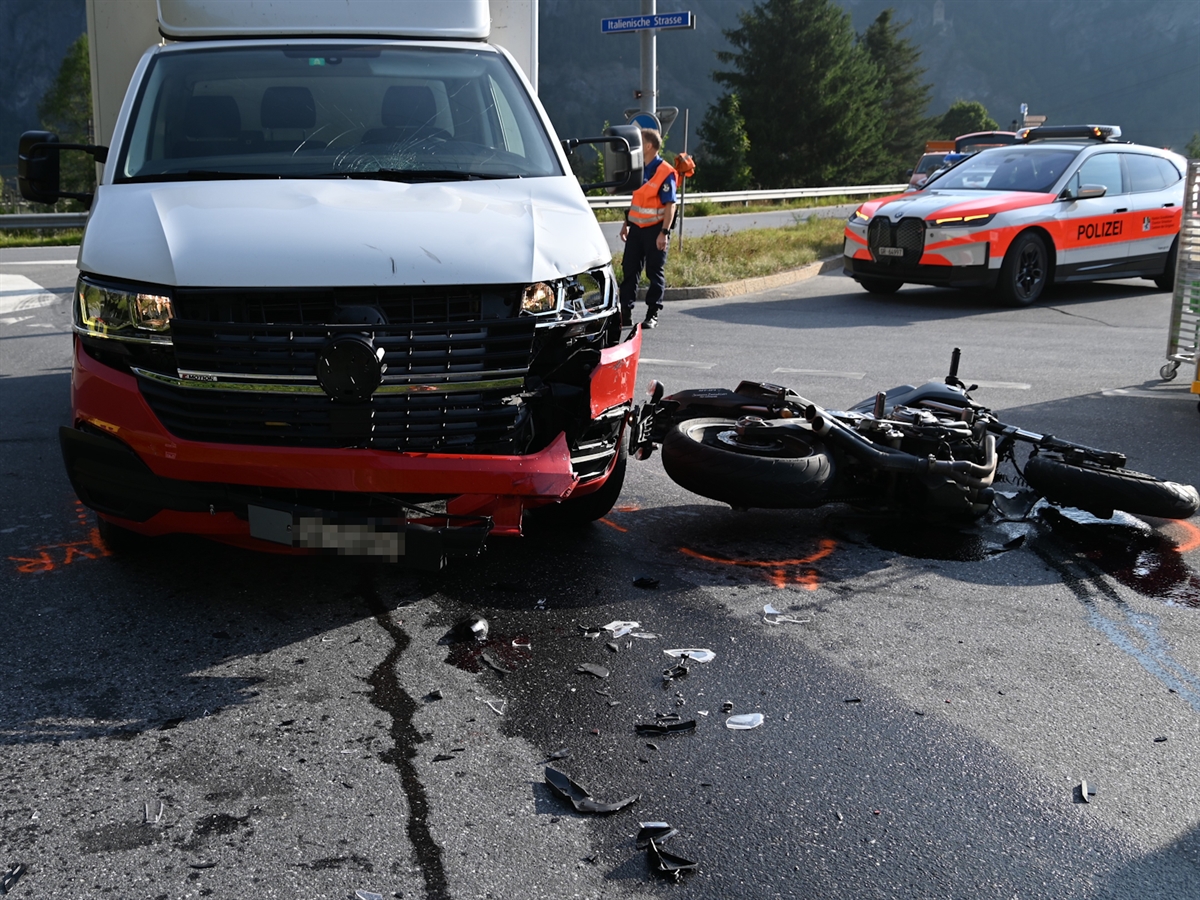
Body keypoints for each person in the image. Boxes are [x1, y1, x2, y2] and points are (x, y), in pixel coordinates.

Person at [618, 129, 677, 329]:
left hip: (655, 231)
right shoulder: (638, 169)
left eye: (639, 142)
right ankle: (625, 312)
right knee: (629, 269)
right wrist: (627, 224)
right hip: (636, 229)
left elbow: (670, 205)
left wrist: (664, 233)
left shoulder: (665, 171)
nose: (636, 145)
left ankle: (652, 314)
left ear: (649, 146)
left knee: (654, 272)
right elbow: (636, 201)